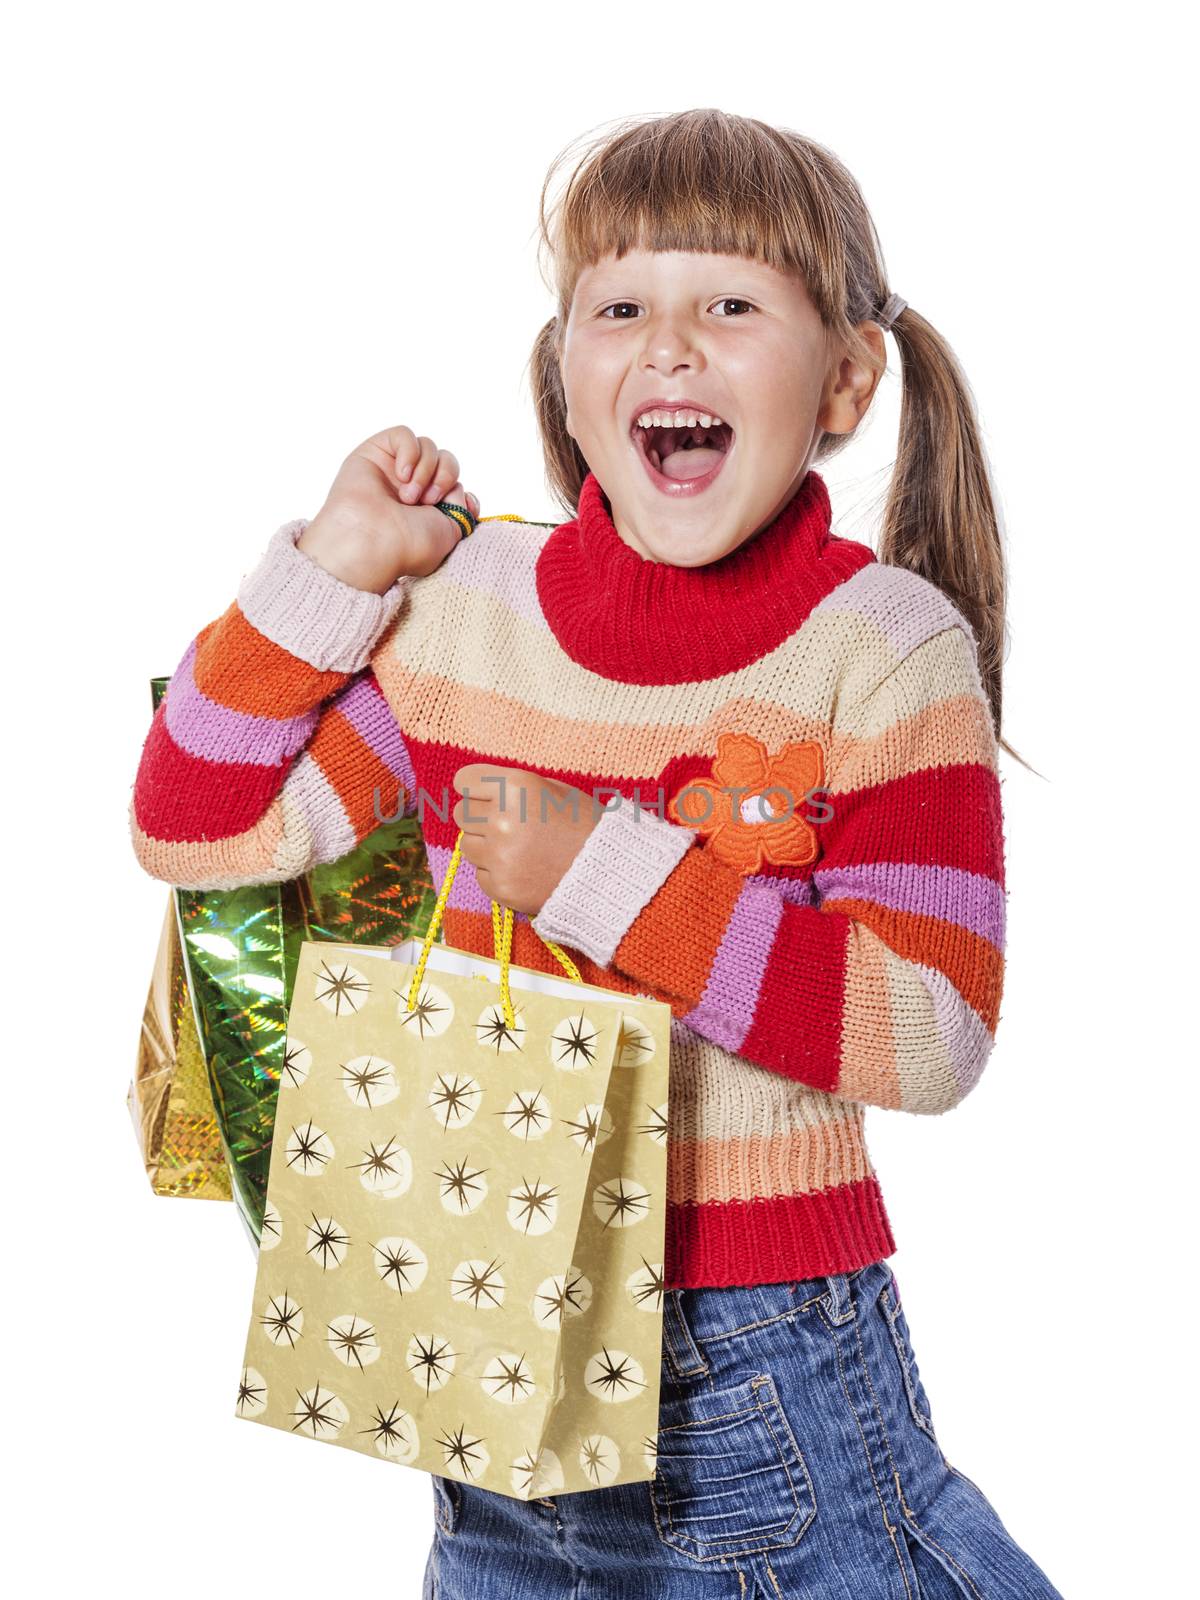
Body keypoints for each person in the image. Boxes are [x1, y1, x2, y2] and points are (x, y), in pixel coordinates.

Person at [129, 109, 1063, 1598]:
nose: (670, 348)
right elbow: (195, 825)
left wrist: (606, 877)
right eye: (619, 308)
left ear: (845, 378)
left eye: (731, 306)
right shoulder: (465, 610)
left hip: (752, 1356)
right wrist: (329, 571)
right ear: (565, 377)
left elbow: (930, 1031)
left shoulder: (880, 647)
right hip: (482, 1329)